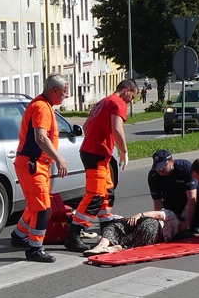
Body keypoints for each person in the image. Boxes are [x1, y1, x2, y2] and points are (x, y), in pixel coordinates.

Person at [65, 78, 137, 252]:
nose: (131, 101)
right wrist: (124, 151)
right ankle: (74, 233)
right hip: (97, 153)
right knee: (96, 195)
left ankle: (107, 228)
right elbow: (117, 128)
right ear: (126, 90)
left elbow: (87, 127)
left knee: (106, 191)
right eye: (132, 97)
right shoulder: (117, 102)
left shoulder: (102, 102)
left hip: (93, 152)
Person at [10, 74, 71, 262]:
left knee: (35, 205)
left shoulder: (43, 105)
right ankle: (35, 248)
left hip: (33, 164)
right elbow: (41, 138)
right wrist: (59, 159)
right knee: (43, 209)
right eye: (64, 92)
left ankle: (19, 235)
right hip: (33, 164)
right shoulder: (41, 107)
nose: (65, 96)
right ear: (54, 91)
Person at [148, 149, 199, 235]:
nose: (160, 170)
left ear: (172, 162)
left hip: (188, 195)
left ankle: (194, 224)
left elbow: (192, 199)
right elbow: (157, 202)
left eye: (163, 166)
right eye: (158, 167)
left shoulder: (185, 169)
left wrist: (186, 224)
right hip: (171, 199)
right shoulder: (153, 176)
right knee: (174, 225)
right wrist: (162, 225)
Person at [83, 208, 181, 255]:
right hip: (151, 231)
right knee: (131, 238)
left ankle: (103, 245)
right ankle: (112, 246)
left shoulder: (170, 214)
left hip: (152, 226)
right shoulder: (176, 228)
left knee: (114, 228)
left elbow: (159, 215)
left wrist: (140, 214)